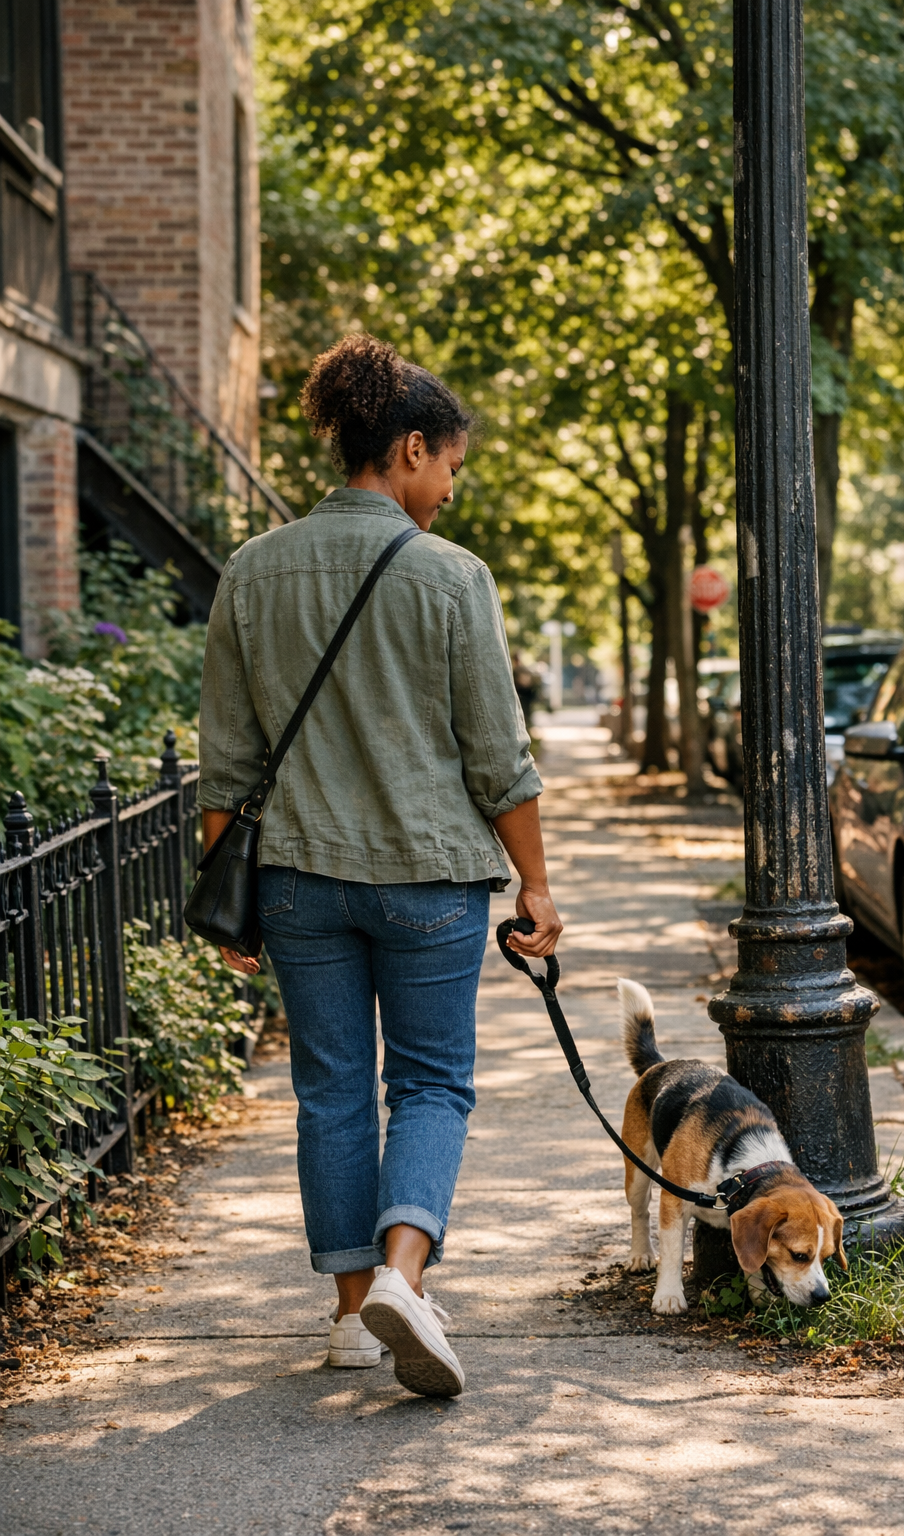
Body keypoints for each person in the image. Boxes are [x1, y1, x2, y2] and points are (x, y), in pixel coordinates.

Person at [196, 334, 562, 1399]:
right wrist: (534, 885)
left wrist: (235, 913)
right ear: (407, 449)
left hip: (298, 883)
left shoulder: (252, 571)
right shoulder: (452, 578)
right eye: (449, 465)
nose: (449, 488)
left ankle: (354, 1316)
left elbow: (228, 764)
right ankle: (408, 1274)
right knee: (434, 1083)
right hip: (429, 883)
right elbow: (499, 759)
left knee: (331, 1094)